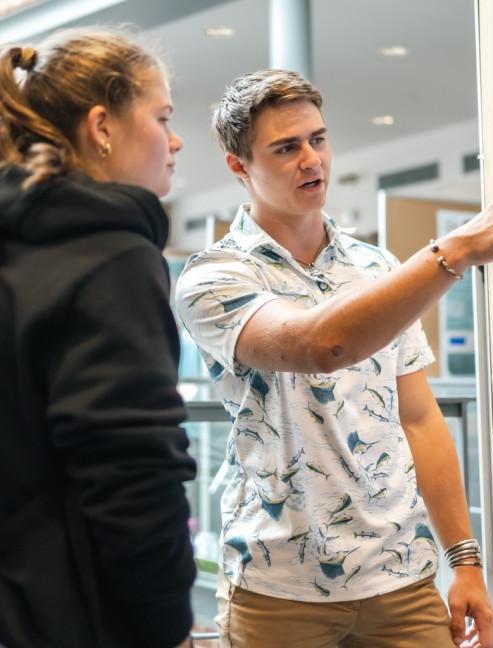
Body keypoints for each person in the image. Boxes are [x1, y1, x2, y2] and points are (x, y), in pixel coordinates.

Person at [176, 69, 493, 648]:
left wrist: (466, 562)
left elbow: (420, 419)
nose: (313, 160)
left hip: (401, 577)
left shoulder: (379, 269)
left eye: (319, 139)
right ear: (239, 166)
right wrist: (453, 250)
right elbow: (320, 345)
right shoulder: (216, 276)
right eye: (287, 148)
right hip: (278, 587)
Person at [0, 28, 196, 648]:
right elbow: (133, 473)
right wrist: (168, 625)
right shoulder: (112, 257)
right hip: (71, 616)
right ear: (102, 126)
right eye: (162, 116)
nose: (175, 139)